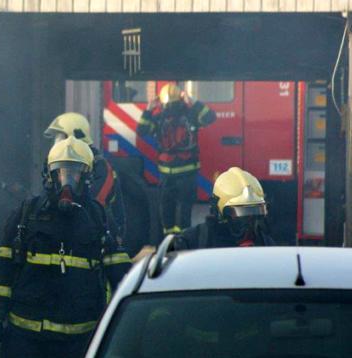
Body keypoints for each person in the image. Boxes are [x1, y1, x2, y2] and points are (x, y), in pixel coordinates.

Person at [0, 137, 132, 358]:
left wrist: (126, 320)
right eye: (61, 172)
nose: (67, 181)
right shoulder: (26, 215)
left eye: (75, 173)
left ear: (87, 178)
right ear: (48, 175)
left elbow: (120, 275)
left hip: (78, 338)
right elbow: (4, 270)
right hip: (26, 335)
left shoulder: (99, 219)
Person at [137, 84, 217, 236]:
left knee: (166, 210)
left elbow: (141, 130)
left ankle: (168, 240)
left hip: (167, 174)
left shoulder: (159, 118)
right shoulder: (190, 115)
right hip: (188, 173)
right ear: (180, 99)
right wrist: (193, 102)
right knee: (184, 210)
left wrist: (148, 109)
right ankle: (184, 240)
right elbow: (210, 117)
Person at [43, 112, 127, 242]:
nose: (56, 143)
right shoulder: (59, 164)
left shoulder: (100, 166)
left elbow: (94, 204)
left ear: (74, 136)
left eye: (59, 137)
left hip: (103, 233)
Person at [176, 167, 274, 249]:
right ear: (219, 213)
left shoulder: (266, 245)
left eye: (255, 213)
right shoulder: (193, 241)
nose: (249, 223)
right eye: (240, 214)